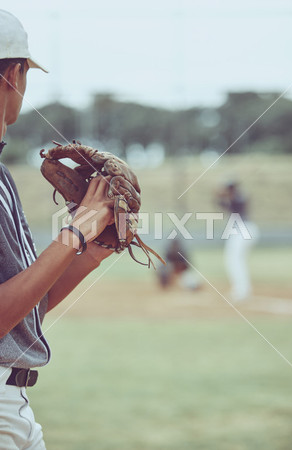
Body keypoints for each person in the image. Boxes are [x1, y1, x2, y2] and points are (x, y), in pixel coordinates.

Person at [0, 10, 115, 449]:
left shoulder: (2, 176)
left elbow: (21, 311)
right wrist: (74, 232)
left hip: (14, 406)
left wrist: (90, 251)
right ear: (14, 73)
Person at [217, 180, 259, 302]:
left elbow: (233, 203)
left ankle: (241, 290)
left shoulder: (238, 197)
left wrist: (222, 194)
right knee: (237, 259)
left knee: (233, 259)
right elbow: (222, 204)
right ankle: (243, 289)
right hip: (242, 230)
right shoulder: (235, 197)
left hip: (243, 229)